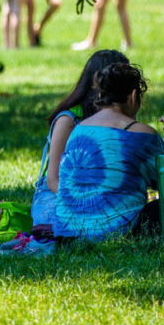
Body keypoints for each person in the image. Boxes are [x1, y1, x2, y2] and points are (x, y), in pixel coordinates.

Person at [53, 63, 164, 243]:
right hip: (120, 231)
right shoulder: (142, 133)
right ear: (133, 95)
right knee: (155, 197)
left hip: (66, 234)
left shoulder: (78, 130)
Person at [16, 49, 129, 251]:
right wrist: (86, 203)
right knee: (54, 228)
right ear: (98, 82)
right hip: (58, 194)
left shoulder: (122, 119)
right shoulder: (69, 120)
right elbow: (53, 181)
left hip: (99, 193)